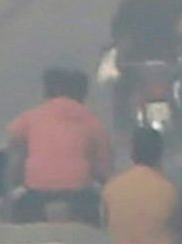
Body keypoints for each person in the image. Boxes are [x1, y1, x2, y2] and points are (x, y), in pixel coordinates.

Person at [8, 68, 113, 223]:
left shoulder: (30, 117)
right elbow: (104, 167)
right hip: (79, 193)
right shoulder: (91, 120)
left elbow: (15, 144)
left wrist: (18, 179)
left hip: (36, 192)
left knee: (18, 220)